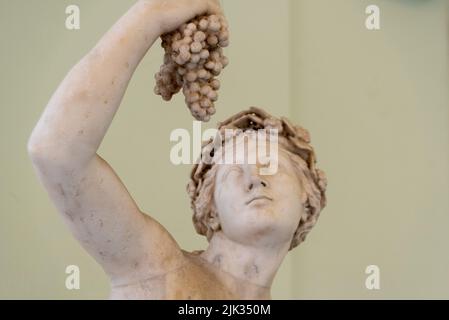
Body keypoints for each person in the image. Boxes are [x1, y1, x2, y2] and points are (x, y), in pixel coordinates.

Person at [27, 0, 327, 299]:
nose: (255, 178)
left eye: (271, 164)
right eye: (234, 171)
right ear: (209, 208)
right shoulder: (157, 271)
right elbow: (55, 151)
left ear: (309, 194)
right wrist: (151, 15)